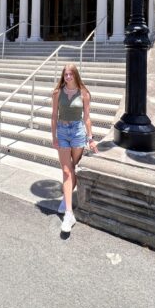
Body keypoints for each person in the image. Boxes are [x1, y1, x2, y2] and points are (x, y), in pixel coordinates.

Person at [51, 63, 98, 233]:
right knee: (66, 170)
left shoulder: (84, 93)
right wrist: (54, 136)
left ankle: (66, 198)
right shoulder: (57, 93)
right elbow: (54, 116)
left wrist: (91, 139)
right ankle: (69, 214)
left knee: (73, 168)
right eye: (65, 75)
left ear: (76, 75)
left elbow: (87, 118)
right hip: (62, 132)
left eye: (71, 74)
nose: (68, 77)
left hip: (78, 132)